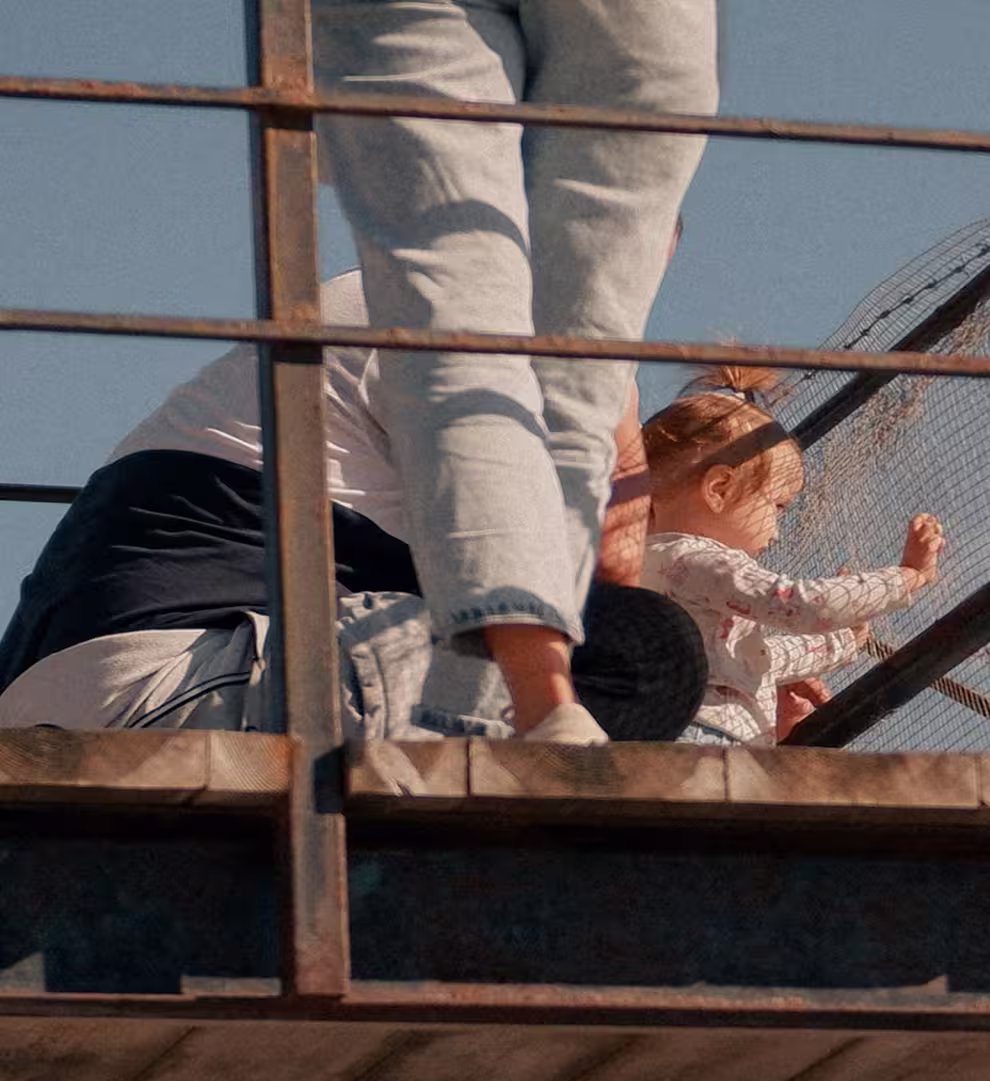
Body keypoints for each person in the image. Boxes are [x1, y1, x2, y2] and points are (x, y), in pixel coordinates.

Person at [0, 270, 707, 743]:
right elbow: (608, 568)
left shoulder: (380, 295)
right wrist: (615, 398)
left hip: (104, 683)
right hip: (171, 676)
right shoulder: (459, 317)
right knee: (645, 652)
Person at [311, 0, 719, 741]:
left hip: (215, 594)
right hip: (271, 623)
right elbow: (617, 560)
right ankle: (536, 708)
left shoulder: (356, 299)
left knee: (456, 309)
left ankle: (536, 705)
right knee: (648, 648)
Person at [640, 365, 946, 747]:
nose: (777, 529)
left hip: (669, 732)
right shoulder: (699, 560)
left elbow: (758, 660)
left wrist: (844, 640)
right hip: (705, 738)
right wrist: (906, 577)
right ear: (720, 489)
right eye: (778, 505)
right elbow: (801, 604)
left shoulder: (649, 567)